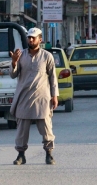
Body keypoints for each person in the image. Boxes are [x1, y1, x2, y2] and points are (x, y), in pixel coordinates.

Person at [9, 27, 59, 165]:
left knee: (46, 129)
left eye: (33, 37)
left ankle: (49, 154)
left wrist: (54, 96)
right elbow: (13, 74)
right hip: (24, 97)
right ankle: (21, 155)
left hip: (42, 98)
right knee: (22, 131)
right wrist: (13, 62)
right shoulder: (21, 56)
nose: (30, 40)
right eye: (29, 37)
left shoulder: (47, 56)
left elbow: (53, 78)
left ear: (40, 39)